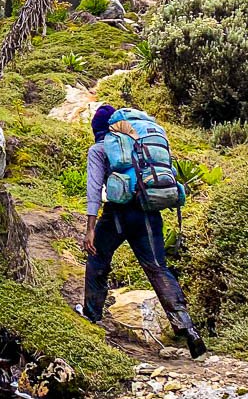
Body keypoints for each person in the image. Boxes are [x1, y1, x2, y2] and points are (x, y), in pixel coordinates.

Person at [82, 103, 207, 358]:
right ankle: (188, 328)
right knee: (158, 268)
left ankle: (91, 315)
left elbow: (94, 189)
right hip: (149, 212)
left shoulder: (99, 149)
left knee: (97, 257)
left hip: (118, 213)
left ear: (98, 129)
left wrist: (90, 228)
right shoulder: (141, 144)